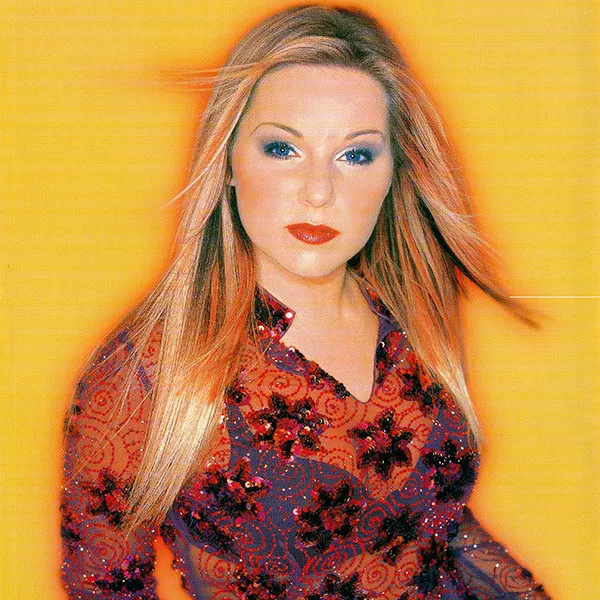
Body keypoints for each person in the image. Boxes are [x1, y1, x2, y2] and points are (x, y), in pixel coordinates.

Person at [59, 4, 552, 599]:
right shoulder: (141, 375)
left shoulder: (410, 317)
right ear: (227, 162)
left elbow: (430, 526)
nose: (319, 192)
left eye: (356, 155)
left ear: (393, 173)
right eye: (282, 149)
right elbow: (103, 584)